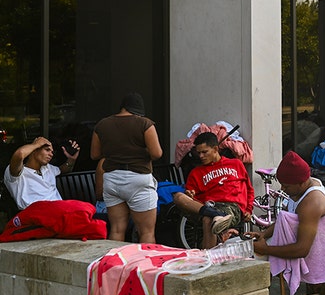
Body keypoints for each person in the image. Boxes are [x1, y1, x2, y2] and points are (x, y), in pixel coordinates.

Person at [90, 93, 162, 243]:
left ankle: (115, 265)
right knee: (146, 232)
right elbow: (157, 153)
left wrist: (116, 151)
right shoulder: (145, 124)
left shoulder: (102, 125)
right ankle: (144, 265)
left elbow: (95, 154)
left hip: (111, 179)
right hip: (138, 178)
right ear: (138, 111)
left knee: (116, 229)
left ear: (122, 107)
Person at [171, 131, 255, 248]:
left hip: (231, 207)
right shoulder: (196, 173)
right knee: (178, 197)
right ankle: (215, 215)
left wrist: (249, 210)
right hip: (205, 207)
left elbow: (249, 190)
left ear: (215, 149)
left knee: (208, 220)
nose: (201, 156)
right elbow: (192, 198)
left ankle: (207, 258)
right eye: (198, 153)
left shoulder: (235, 164)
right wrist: (190, 195)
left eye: (205, 152)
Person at [247, 151, 325, 259]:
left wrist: (265, 250)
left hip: (313, 253)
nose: (282, 189)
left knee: (252, 258)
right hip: (296, 242)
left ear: (301, 183)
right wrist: (264, 234)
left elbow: (302, 250)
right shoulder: (300, 188)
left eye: (286, 186)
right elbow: (285, 218)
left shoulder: (312, 203)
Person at [3, 137, 80, 210]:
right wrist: (36, 144)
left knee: (85, 208)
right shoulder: (18, 172)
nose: (51, 154)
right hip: (36, 215)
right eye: (47, 150)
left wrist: (71, 160)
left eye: (52, 152)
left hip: (60, 210)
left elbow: (63, 169)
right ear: (34, 150)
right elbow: (20, 154)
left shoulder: (48, 168)